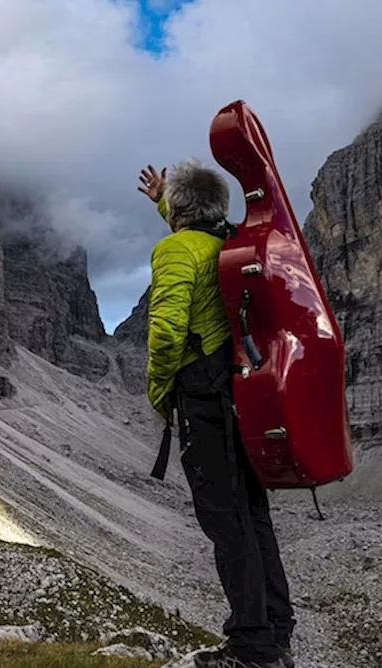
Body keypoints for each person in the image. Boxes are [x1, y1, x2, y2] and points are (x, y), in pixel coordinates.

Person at [138, 161, 296, 668]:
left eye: (174, 209)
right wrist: (169, 199)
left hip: (203, 400)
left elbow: (165, 332)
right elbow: (200, 230)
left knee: (226, 523)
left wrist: (160, 392)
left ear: (181, 212)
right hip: (242, 394)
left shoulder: (175, 250)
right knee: (253, 516)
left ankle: (251, 651)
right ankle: (276, 637)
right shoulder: (229, 242)